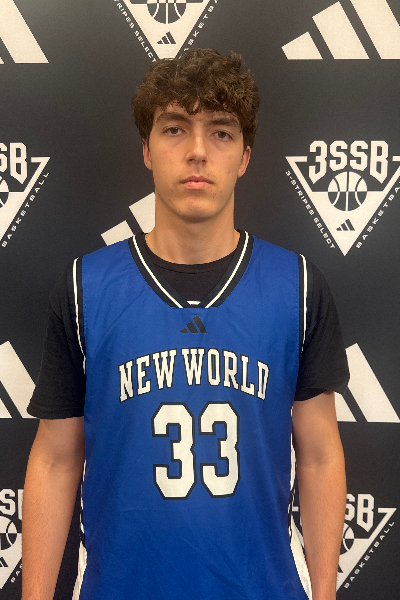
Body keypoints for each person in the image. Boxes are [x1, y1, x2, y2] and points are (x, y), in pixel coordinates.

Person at [22, 48, 349, 600]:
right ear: (147, 150)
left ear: (244, 156)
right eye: (175, 129)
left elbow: (319, 454)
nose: (197, 151)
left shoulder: (296, 286)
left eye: (221, 132)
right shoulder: (86, 288)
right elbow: (56, 458)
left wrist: (324, 592)